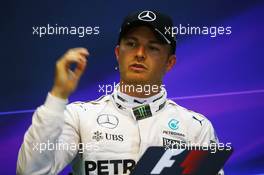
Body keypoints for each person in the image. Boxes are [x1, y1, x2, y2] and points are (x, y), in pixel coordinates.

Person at [17, 10, 223, 175]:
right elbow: (30, 171)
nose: (140, 54)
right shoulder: (80, 117)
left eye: (152, 48)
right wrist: (57, 96)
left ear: (170, 62)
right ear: (118, 53)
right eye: (131, 44)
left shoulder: (196, 128)